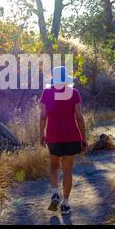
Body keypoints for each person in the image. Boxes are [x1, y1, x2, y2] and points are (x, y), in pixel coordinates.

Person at [39, 66, 88, 215]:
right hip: (72, 136)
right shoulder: (74, 93)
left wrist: (42, 134)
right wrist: (83, 138)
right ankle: (65, 204)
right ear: (66, 79)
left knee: (54, 166)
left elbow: (42, 116)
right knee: (67, 170)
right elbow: (79, 117)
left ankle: (55, 192)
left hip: (53, 136)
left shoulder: (47, 92)